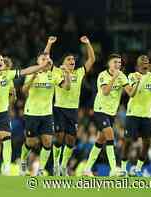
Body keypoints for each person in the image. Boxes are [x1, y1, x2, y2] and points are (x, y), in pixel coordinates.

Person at [83, 54, 139, 176]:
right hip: (100, 110)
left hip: (112, 112)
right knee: (110, 136)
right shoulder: (103, 75)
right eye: (115, 62)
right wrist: (114, 77)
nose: (118, 65)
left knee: (100, 140)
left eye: (119, 63)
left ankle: (87, 169)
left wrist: (137, 83)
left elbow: (131, 93)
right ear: (109, 63)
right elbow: (106, 92)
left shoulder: (122, 76)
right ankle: (114, 169)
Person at [48, 36, 95, 176]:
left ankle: (63, 165)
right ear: (63, 62)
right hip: (59, 109)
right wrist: (49, 44)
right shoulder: (56, 71)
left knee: (71, 140)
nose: (72, 61)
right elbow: (46, 58)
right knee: (59, 137)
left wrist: (88, 44)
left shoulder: (79, 72)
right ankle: (56, 164)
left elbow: (92, 60)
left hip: (73, 110)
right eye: (69, 59)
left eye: (73, 60)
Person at [20, 50, 71, 176]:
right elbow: (24, 90)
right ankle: (22, 161)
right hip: (31, 112)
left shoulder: (52, 75)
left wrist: (67, 74)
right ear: (38, 61)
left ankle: (41, 169)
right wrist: (33, 76)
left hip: (47, 114)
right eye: (42, 59)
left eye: (46, 59)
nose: (45, 61)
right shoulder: (31, 73)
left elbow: (67, 87)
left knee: (48, 142)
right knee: (30, 142)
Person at [121, 55, 151, 176]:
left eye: (147, 62)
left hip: (146, 115)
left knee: (147, 143)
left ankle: (138, 168)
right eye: (143, 62)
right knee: (128, 141)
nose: (145, 63)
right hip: (132, 114)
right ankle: (123, 168)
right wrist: (138, 81)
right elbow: (132, 94)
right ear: (138, 64)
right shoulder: (131, 76)